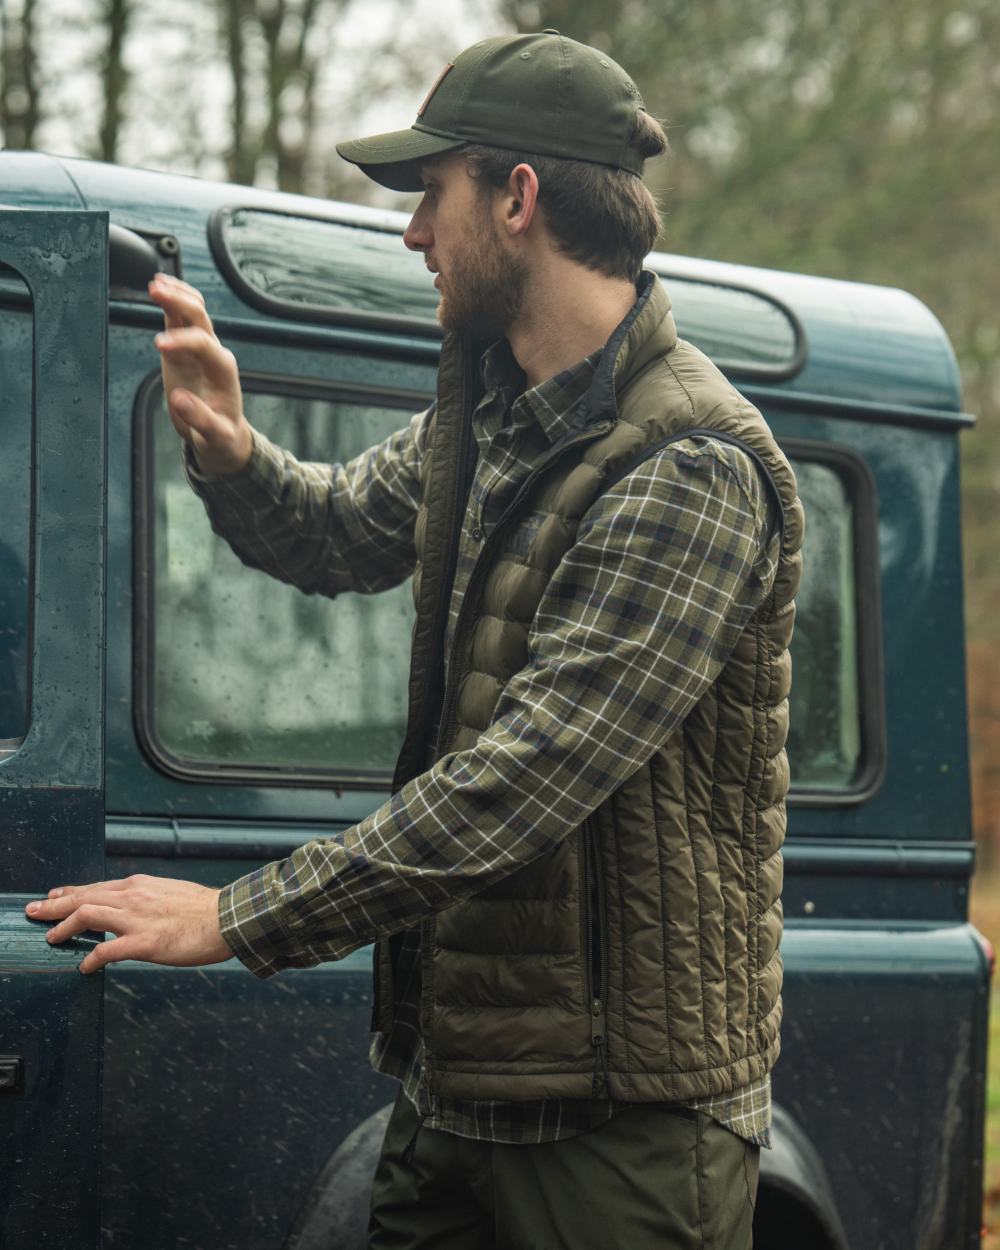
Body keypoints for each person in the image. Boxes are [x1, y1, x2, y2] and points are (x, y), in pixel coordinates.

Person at [26, 30, 803, 1250]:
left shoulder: (688, 464)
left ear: (518, 197)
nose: (410, 232)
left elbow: (521, 780)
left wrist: (235, 916)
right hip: (460, 1083)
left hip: (621, 1120)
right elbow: (336, 533)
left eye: (428, 195)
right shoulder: (489, 409)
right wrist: (228, 442)